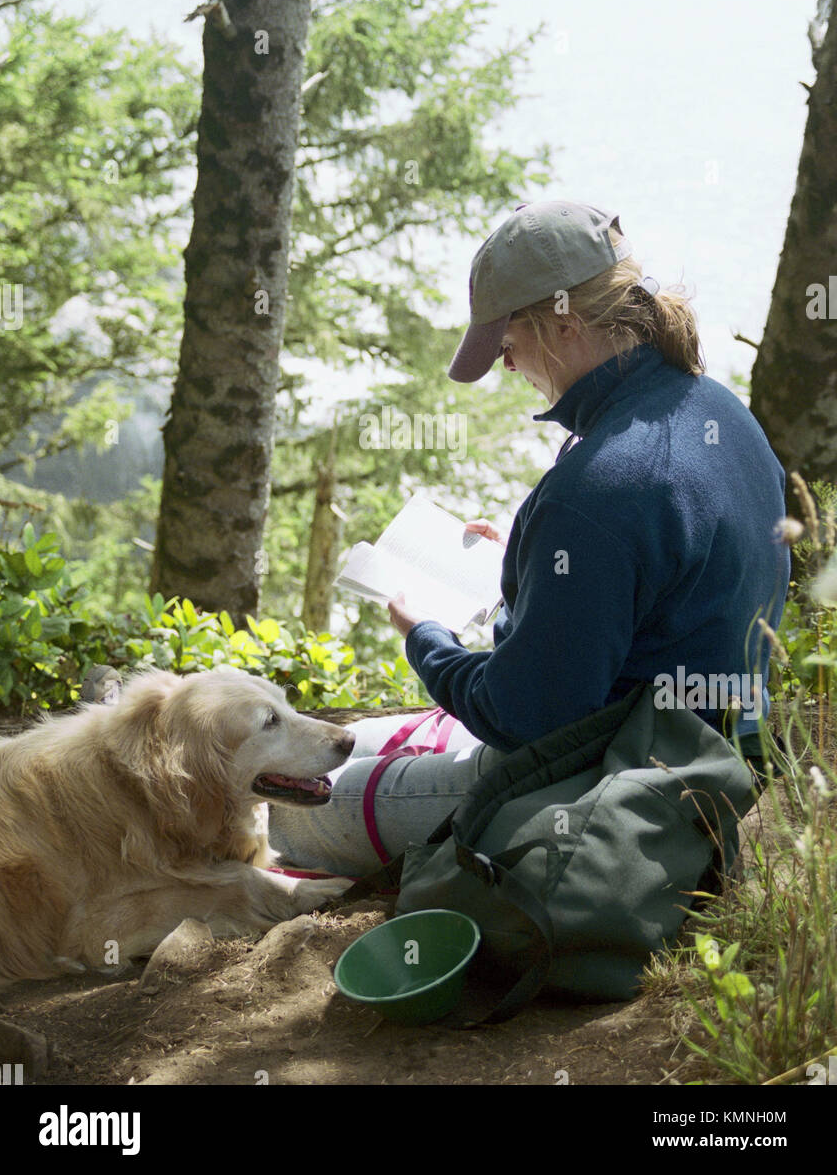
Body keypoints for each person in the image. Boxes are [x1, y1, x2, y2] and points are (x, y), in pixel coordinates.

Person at [268, 200, 791, 879]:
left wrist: (426, 638)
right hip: (701, 748)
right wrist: (533, 553)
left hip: (612, 781)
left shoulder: (598, 486)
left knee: (290, 805)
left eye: (508, 347)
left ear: (565, 322)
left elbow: (521, 718)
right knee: (320, 751)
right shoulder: (716, 408)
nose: (509, 370)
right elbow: (654, 567)